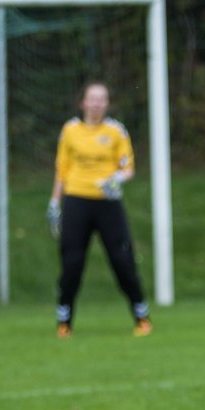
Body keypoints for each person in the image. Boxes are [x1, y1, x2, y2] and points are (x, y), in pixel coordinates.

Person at [49, 82, 152, 338]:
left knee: (122, 260)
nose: (96, 104)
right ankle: (64, 321)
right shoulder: (70, 130)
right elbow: (62, 170)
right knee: (72, 264)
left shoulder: (116, 131)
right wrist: (54, 201)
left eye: (102, 99)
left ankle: (141, 316)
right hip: (76, 201)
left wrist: (115, 179)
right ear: (83, 102)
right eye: (92, 99)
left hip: (108, 203)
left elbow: (128, 168)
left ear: (107, 103)